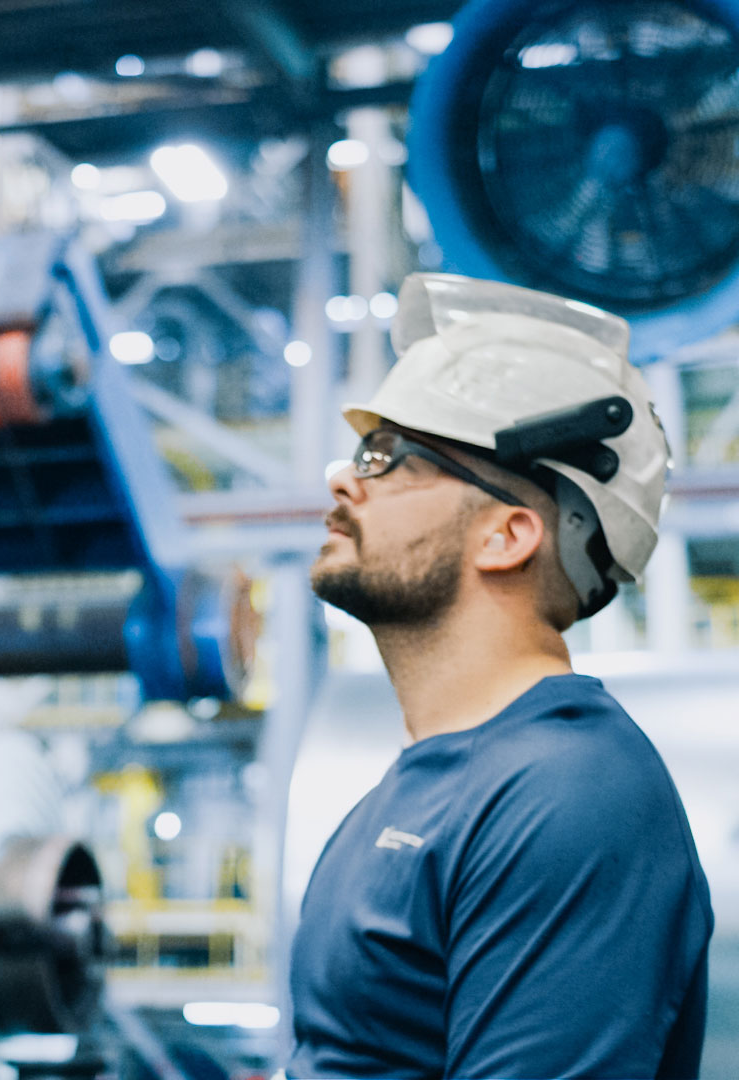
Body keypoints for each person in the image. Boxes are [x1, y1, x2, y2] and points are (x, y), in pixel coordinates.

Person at [288, 274, 713, 1080]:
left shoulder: (571, 795)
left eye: (392, 459)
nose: (346, 481)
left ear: (507, 536)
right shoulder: (406, 793)